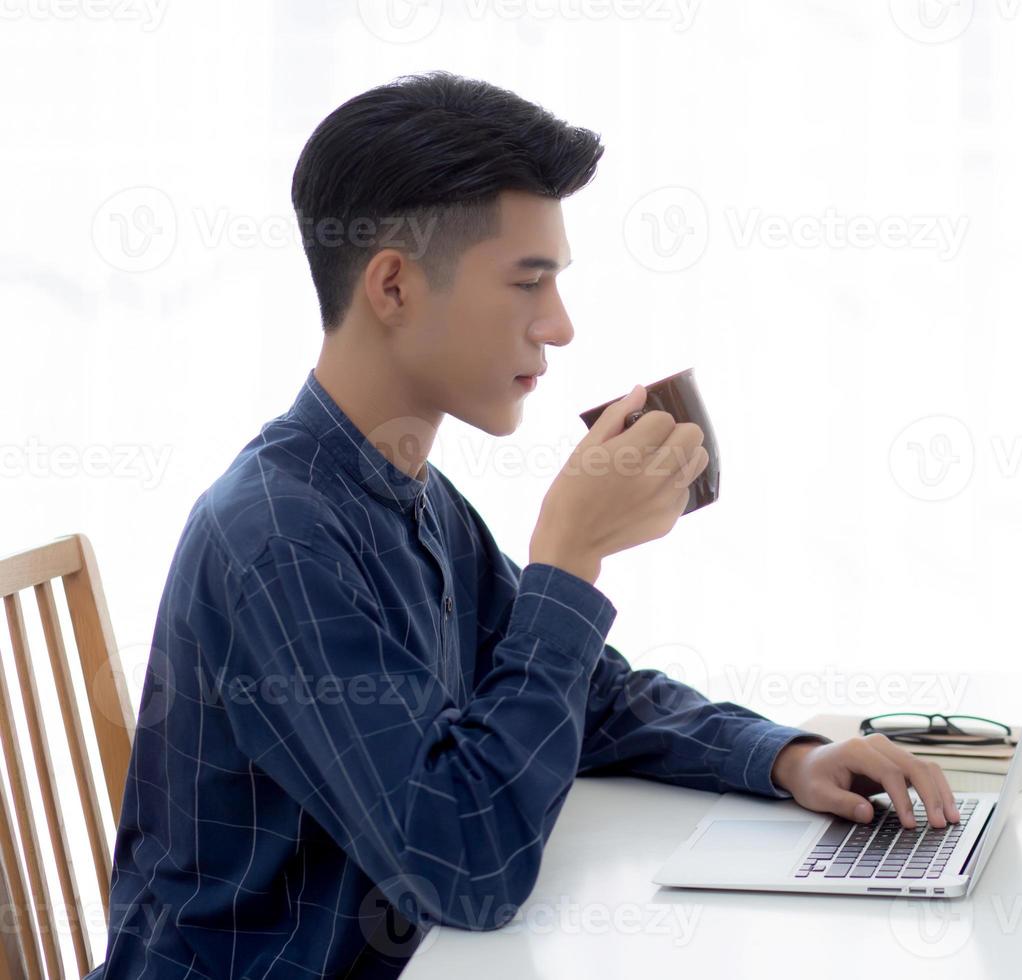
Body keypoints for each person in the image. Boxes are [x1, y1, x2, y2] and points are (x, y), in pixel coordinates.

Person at [91, 71, 959, 979]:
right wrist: (570, 556)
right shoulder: (279, 537)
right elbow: (467, 866)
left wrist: (786, 758)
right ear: (392, 285)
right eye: (527, 283)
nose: (560, 326)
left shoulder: (404, 493)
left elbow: (585, 699)